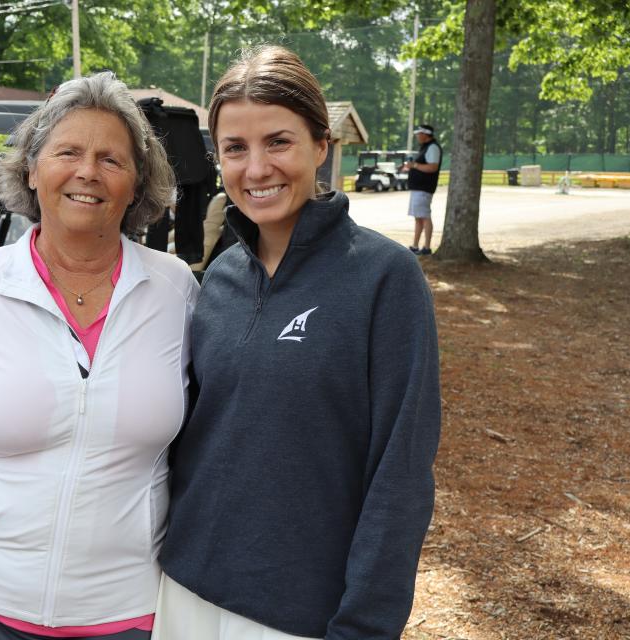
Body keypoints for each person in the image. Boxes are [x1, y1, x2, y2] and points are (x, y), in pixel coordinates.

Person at [0, 71, 197, 640]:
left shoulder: (176, 291)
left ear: (137, 184)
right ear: (32, 170)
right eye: (68, 152)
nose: (87, 172)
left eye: (112, 159)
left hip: (127, 611)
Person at [155, 46, 441, 640]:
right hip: (182, 592)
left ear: (321, 146)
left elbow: (401, 473)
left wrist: (364, 625)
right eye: (235, 148)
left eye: (278, 142)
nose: (256, 168)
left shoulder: (384, 277)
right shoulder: (218, 280)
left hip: (303, 615)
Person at [404, 124, 442, 255]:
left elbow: (432, 167)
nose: (417, 136)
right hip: (418, 189)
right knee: (418, 217)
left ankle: (426, 247)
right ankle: (415, 246)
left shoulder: (432, 147)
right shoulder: (426, 148)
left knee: (424, 217)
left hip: (424, 189)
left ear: (426, 134)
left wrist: (414, 165)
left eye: (419, 134)